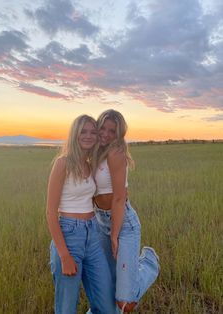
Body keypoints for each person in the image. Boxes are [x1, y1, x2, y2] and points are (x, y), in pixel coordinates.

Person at [46, 115, 116, 314]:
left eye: (93, 132)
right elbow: (51, 212)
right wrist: (64, 255)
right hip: (69, 235)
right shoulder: (63, 163)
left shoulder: (89, 164)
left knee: (106, 306)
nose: (88, 136)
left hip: (93, 234)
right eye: (83, 131)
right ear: (74, 134)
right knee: (67, 308)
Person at [93, 109, 160, 313]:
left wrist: (115, 234)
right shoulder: (94, 151)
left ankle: (149, 263)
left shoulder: (116, 153)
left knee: (126, 302)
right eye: (102, 128)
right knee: (109, 285)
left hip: (123, 225)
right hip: (99, 221)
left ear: (119, 134)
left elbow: (119, 197)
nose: (105, 133)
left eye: (112, 131)